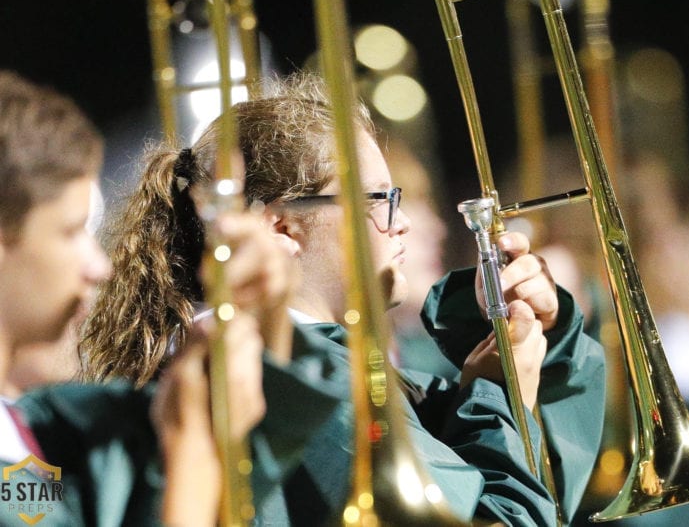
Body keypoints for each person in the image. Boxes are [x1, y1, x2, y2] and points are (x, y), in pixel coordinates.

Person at [80, 72, 606, 525]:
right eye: (381, 199)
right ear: (284, 225)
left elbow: (538, 481)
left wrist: (530, 338)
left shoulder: (313, 365)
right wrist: (494, 394)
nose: (400, 225)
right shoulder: (293, 376)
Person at [0, 70, 341, 525]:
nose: (97, 267)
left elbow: (254, 453)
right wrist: (191, 456)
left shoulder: (50, 422)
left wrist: (268, 314)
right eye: (69, 231)